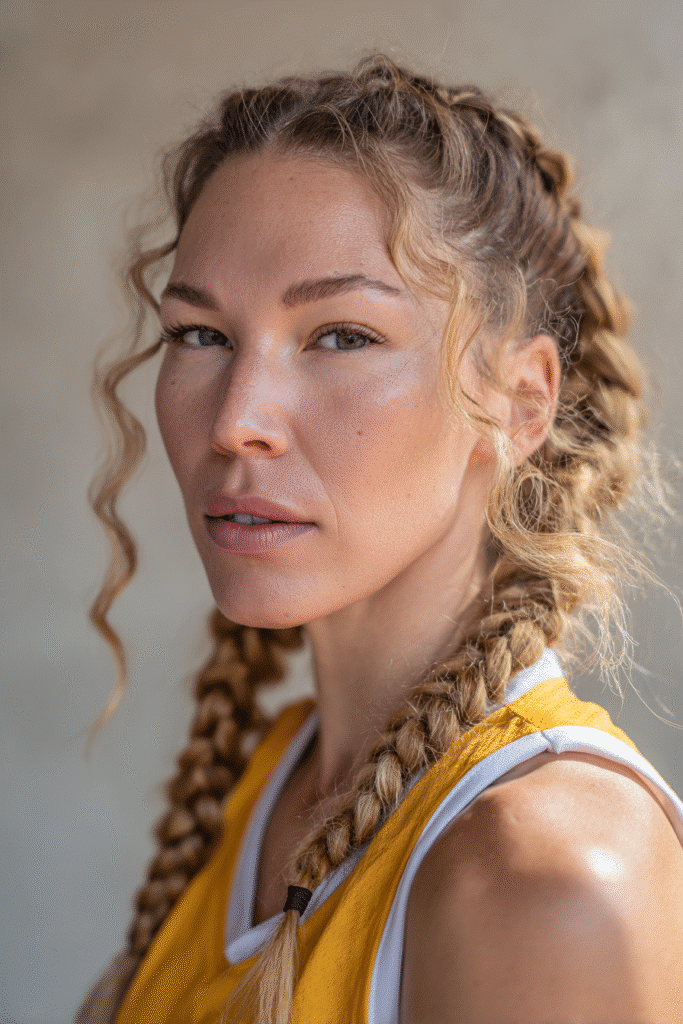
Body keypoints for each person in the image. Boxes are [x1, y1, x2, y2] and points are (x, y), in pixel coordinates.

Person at [76, 53, 683, 1024]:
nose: (237, 419)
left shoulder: (545, 874)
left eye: (340, 335)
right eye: (201, 335)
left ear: (519, 401)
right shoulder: (266, 783)